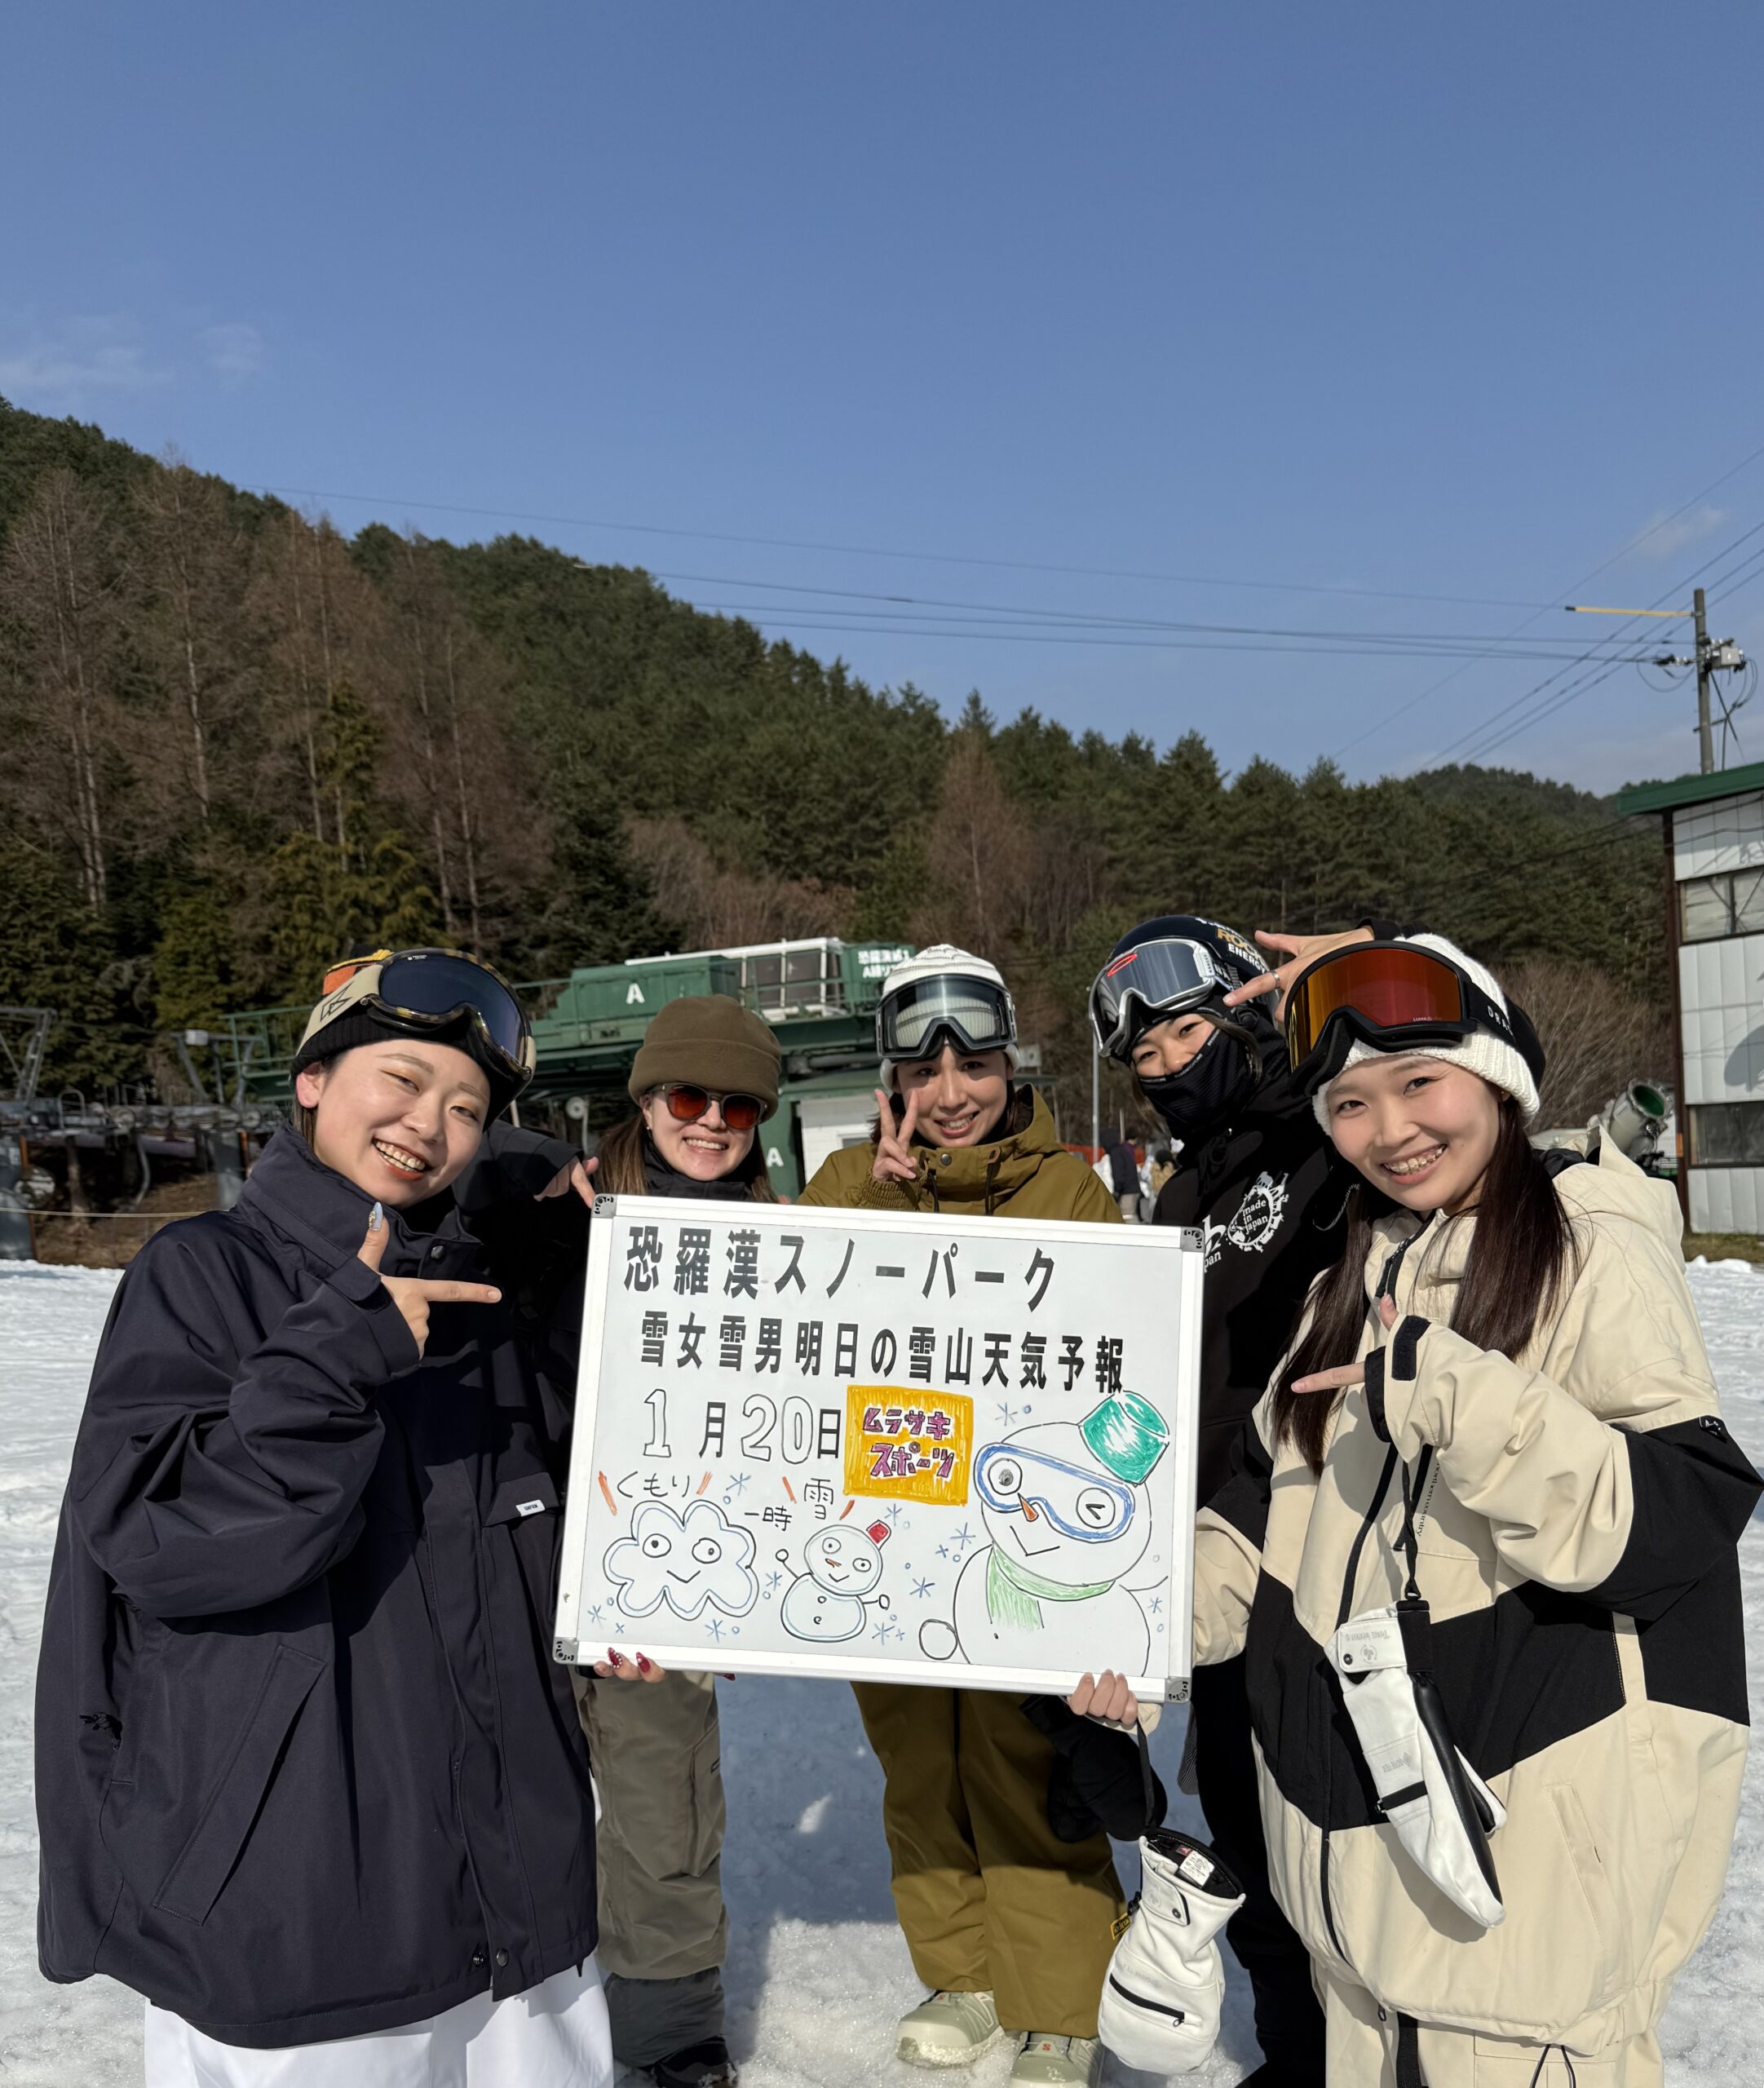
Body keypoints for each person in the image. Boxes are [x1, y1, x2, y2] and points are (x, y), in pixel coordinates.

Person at [1082, 931, 1760, 2085]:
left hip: (1527, 1911)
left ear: (1499, 1074)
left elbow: (1676, 1523)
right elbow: (1262, 1521)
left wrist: (1451, 1393)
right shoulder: (1351, 1279)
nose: (1389, 1131)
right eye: (1348, 1104)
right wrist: (1125, 1625)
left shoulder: (1589, 1247)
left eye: (1420, 1084)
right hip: (1362, 1909)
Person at [35, 949, 612, 2086]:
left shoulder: (483, 1303)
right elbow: (168, 1545)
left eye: (464, 1106)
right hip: (301, 1911)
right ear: (313, 1078)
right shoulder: (204, 1273)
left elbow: (560, 1524)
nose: (427, 1123)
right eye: (399, 1079)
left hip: (521, 1899)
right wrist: (335, 1354)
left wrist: (641, 1606)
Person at [798, 946, 1124, 2088]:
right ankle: (967, 1972)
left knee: (1024, 1754)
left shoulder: (1070, 1187)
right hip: (892, 1530)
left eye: (974, 1065)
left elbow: (1120, 1363)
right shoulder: (847, 1179)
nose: (951, 1094)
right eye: (925, 1070)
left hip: (1020, 1537)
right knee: (918, 1761)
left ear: (1009, 1065)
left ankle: (1063, 2003)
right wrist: (879, 1197)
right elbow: (789, 1326)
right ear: (892, 1078)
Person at [1090, 914, 1358, 2087]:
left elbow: (1480, 1082)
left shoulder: (1340, 1124)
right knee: (1249, 1832)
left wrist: (1373, 967)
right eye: (1144, 1060)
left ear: (1249, 1007)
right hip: (1215, 1542)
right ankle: (1298, 2055)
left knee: (1347, 1843)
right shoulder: (1189, 1186)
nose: (1168, 1070)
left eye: (1186, 1032)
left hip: (1338, 1540)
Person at [570, 993, 783, 2088]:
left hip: (666, 1573)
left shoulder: (784, 1245)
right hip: (527, 1550)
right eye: (691, 1098)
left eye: (739, 1106)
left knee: (665, 1806)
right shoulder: (560, 1209)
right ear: (647, 1100)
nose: (713, 1123)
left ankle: (670, 2041)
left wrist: (757, 1580)